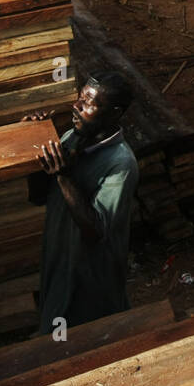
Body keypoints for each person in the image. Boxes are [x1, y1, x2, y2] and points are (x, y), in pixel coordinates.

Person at [25, 72, 140, 335]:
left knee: (92, 340)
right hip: (59, 261)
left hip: (90, 276)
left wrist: (63, 175)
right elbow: (38, 197)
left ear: (114, 113)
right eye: (79, 97)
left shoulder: (120, 164)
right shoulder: (71, 138)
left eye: (88, 102)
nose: (76, 106)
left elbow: (96, 230)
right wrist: (32, 144)